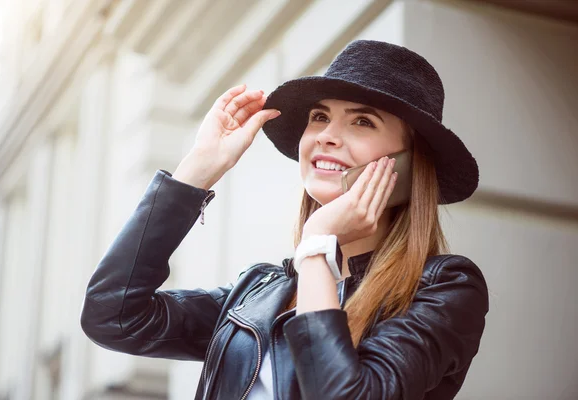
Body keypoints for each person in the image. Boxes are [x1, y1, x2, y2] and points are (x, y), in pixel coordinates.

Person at [80, 40, 489, 400]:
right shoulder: (255, 295)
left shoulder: (444, 288)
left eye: (362, 121)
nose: (326, 135)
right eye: (320, 117)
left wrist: (316, 244)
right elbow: (112, 316)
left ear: (409, 165)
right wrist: (196, 172)